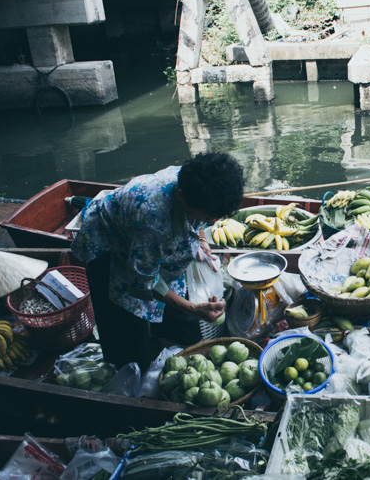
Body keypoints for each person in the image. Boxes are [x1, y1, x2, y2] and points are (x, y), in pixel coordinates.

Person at [72, 152, 245, 370]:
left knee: (176, 303)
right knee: (127, 332)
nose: (213, 222)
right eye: (208, 217)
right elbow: (144, 283)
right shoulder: (152, 221)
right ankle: (133, 376)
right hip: (110, 242)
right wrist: (192, 308)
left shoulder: (196, 178)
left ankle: (173, 337)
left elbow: (161, 272)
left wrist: (201, 239)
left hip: (146, 241)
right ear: (181, 196)